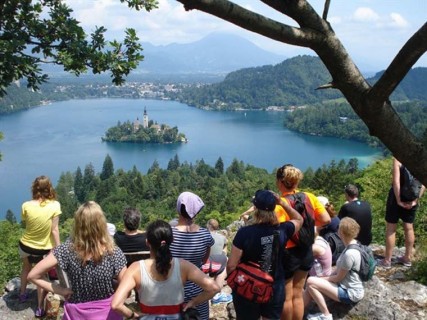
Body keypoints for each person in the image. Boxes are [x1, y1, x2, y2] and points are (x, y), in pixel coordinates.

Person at [28, 201, 127, 320]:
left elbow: (33, 275)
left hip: (77, 314)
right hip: (108, 314)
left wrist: (61, 291)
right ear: (101, 224)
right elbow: (127, 288)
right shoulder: (113, 252)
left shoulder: (65, 250)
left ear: (78, 224)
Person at [111, 219, 220, 319]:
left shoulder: (136, 268)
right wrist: (193, 302)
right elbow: (214, 288)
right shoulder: (183, 266)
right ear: (172, 241)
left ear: (147, 242)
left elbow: (116, 305)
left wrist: (133, 315)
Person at [227, 189, 303, 320]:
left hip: (248, 284)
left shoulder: (244, 233)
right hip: (274, 285)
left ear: (255, 208)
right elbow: (299, 219)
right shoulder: (283, 230)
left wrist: (234, 283)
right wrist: (282, 203)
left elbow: (232, 265)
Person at [274, 164, 331, 320]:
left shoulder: (279, 206)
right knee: (298, 294)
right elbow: (326, 219)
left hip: (288, 253)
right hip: (306, 250)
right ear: (297, 182)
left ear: (279, 182)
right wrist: (310, 229)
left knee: (286, 297)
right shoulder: (310, 197)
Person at [303, 217, 365, 320]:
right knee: (312, 284)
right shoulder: (355, 245)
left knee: (310, 281)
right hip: (349, 287)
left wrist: (321, 279)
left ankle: (326, 316)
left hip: (349, 293)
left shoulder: (349, 254)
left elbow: (337, 278)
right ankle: (299, 313)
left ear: (341, 232)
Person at [19, 175, 61, 318]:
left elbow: (27, 223)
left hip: (24, 246)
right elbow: (54, 230)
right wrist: (59, 248)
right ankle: (39, 308)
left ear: (34, 188)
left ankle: (22, 294)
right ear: (49, 188)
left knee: (26, 268)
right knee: (40, 275)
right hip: (41, 249)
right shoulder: (55, 205)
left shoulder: (26, 205)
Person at [169, 191, 215, 320]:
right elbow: (204, 260)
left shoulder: (169, 235)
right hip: (198, 290)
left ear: (178, 209)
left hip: (173, 291)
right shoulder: (205, 234)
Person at [379, 158, 425, 268]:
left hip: (396, 198)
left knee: (391, 229)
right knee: (409, 228)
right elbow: (423, 183)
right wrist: (415, 200)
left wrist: (398, 200)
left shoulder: (398, 158)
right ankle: (407, 258)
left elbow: (396, 182)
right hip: (412, 198)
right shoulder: (421, 159)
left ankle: (387, 260)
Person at [205, 218, 232, 304]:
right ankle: (217, 294)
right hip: (217, 265)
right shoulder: (222, 238)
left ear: (208, 226)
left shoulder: (202, 236)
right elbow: (224, 252)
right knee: (225, 261)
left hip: (204, 265)